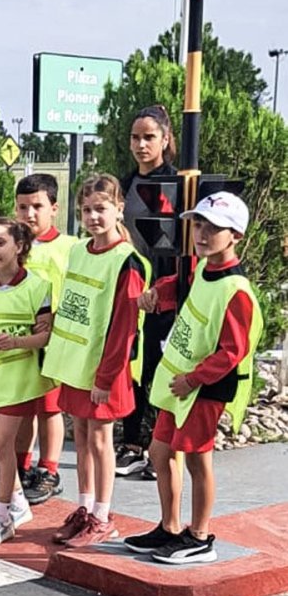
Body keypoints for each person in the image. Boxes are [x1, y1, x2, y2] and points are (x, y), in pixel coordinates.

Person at [125, 192, 262, 564]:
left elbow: (232, 351)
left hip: (205, 386)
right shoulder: (202, 268)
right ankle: (169, 527)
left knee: (197, 460)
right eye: (199, 224)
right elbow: (179, 284)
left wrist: (193, 379)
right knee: (159, 450)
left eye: (213, 227)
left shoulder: (237, 290)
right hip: (183, 384)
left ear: (235, 235)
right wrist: (156, 293)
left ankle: (200, 536)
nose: (201, 233)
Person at [42, 174, 147, 548]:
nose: (93, 217)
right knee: (82, 438)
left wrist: (105, 377)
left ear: (119, 209)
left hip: (105, 369)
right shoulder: (79, 250)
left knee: (101, 441)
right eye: (86, 210)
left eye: (101, 209)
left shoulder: (127, 261)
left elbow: (123, 327)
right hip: (76, 364)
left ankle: (103, 515)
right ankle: (85, 508)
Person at [0, 216, 53, 549]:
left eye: (0, 243)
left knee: (3, 444)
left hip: (20, 376)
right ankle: (17, 502)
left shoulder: (38, 285)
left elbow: (44, 335)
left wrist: (16, 343)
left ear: (19, 246)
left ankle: (2, 518)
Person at [117, 105, 179, 481]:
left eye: (149, 137)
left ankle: (157, 445)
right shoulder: (126, 184)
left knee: (157, 370)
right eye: (136, 137)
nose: (141, 145)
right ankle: (132, 443)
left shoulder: (174, 185)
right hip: (132, 293)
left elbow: (175, 247)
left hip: (163, 297)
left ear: (166, 139)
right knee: (132, 365)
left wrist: (161, 287)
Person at [13, 173, 79, 505]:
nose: (29, 214)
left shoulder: (70, 248)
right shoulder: (11, 244)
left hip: (52, 343)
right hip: (17, 343)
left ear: (54, 207)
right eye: (23, 207)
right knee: (23, 406)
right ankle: (21, 467)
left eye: (37, 206)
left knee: (49, 408)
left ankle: (49, 469)